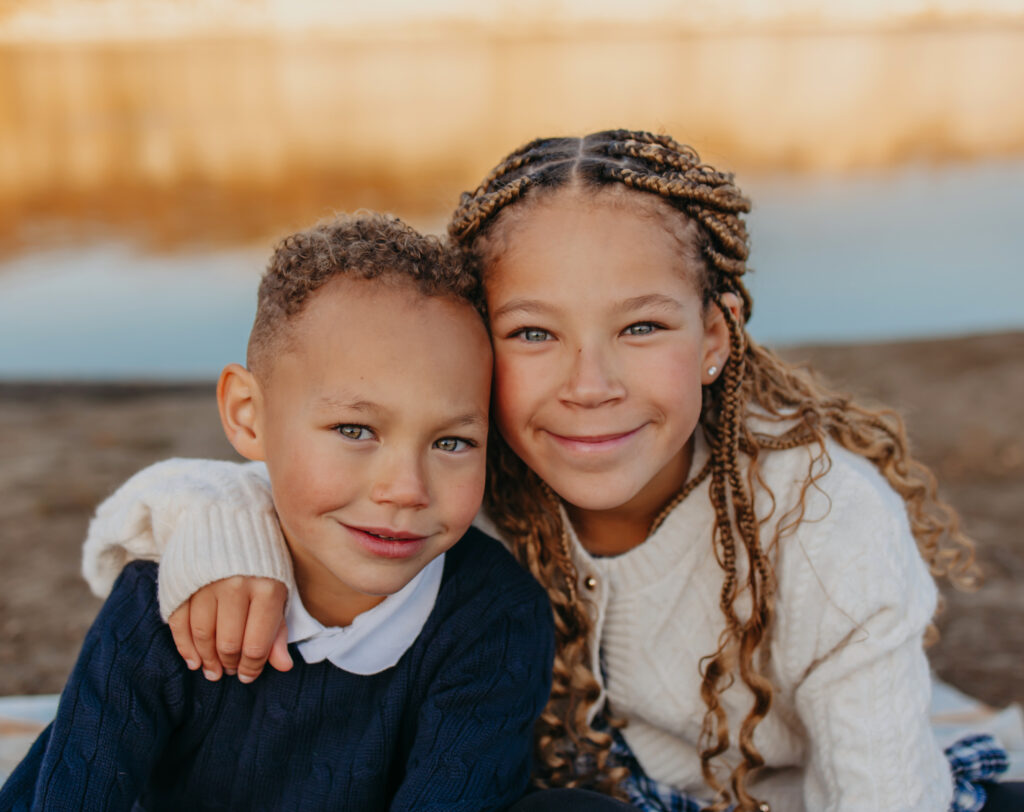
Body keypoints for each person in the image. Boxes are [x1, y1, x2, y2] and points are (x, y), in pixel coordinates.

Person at [71, 131, 1018, 811]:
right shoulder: (465, 473)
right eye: (533, 333)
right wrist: (232, 531)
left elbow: (885, 792)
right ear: (475, 350)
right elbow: (199, 490)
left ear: (716, 339)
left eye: (642, 326)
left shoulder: (824, 524)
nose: (590, 385)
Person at [0, 213, 558, 811]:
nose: (405, 489)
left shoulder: (494, 618)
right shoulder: (160, 604)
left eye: (452, 442)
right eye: (355, 429)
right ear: (248, 415)